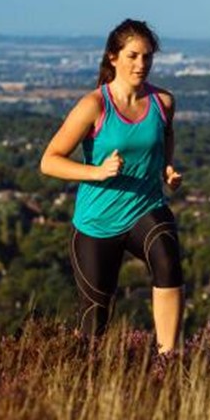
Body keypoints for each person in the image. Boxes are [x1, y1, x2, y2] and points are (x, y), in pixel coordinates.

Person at [40, 19, 185, 353]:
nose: (141, 64)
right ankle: (82, 380)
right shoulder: (94, 105)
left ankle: (170, 358)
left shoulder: (163, 103)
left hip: (145, 207)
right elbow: (49, 160)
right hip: (96, 222)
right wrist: (97, 172)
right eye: (133, 56)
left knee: (167, 258)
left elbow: (165, 137)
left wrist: (166, 170)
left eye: (147, 57)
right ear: (113, 58)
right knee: (95, 323)